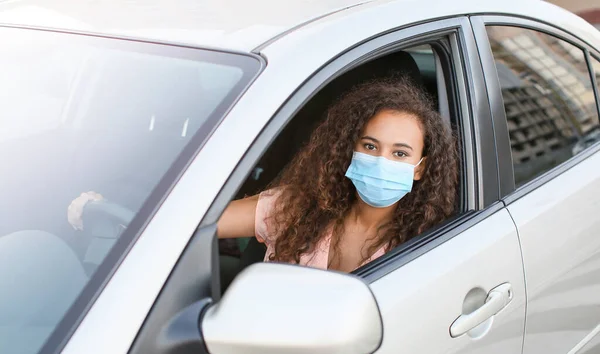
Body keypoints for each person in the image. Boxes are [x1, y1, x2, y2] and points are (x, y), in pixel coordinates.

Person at [69, 77, 459, 273]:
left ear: (420, 168)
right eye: (370, 146)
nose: (381, 161)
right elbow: (193, 221)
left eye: (400, 153)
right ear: (350, 150)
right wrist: (113, 209)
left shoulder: (431, 243)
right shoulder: (297, 208)